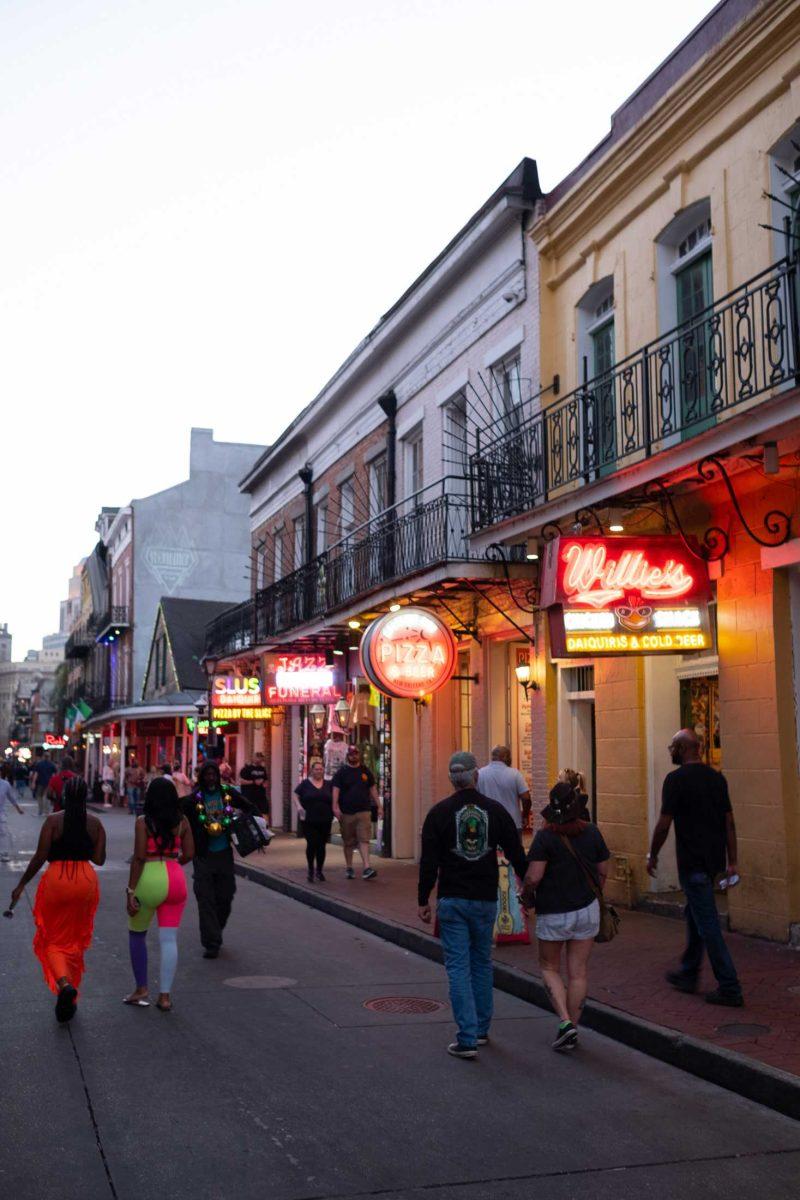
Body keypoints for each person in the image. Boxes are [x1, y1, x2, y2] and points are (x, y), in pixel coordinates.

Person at [418, 750, 528, 1059]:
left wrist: (422, 898)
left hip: (452, 898)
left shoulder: (438, 813)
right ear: (475, 776)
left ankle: (466, 1036)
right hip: (484, 899)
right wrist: (530, 887)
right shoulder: (495, 811)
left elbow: (429, 861)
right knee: (481, 963)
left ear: (451, 780)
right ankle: (480, 1029)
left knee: (457, 966)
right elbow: (516, 854)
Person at [648, 728, 743, 1007]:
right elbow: (729, 823)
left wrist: (652, 854)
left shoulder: (675, 781)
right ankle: (689, 972)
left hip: (692, 863)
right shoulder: (717, 779)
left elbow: (664, 824)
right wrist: (732, 860)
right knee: (695, 913)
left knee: (708, 924)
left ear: (683, 748)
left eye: (672, 747)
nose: (670, 752)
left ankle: (729, 986)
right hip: (712, 862)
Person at [522, 781, 610, 1051]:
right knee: (578, 972)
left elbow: (534, 877)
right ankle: (573, 1025)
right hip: (587, 909)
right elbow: (603, 871)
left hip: (554, 912)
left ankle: (565, 1021)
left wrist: (526, 896)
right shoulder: (593, 833)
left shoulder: (545, 838)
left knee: (549, 967)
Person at [11, 777, 106, 1022]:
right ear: (85, 796)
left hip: (58, 880)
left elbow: (40, 856)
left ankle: (65, 985)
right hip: (85, 880)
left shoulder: (53, 821)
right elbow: (99, 859)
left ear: (64, 796)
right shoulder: (95, 823)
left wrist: (22, 884)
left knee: (53, 938)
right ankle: (70, 998)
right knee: (75, 939)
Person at [125, 777, 194, 1012]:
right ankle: (165, 996)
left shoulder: (143, 822)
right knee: (169, 939)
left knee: (137, 934)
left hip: (149, 877)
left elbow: (139, 857)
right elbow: (190, 853)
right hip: (175, 877)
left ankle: (141, 989)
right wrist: (175, 865)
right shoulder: (182, 821)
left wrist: (130, 890)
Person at [181, 760, 257, 958]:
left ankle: (216, 928)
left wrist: (249, 828)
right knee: (205, 899)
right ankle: (211, 943)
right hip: (203, 855)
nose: (211, 778)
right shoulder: (193, 800)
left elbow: (249, 807)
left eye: (214, 774)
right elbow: (176, 813)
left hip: (224, 853)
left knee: (226, 895)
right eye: (207, 775)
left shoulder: (227, 794)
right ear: (202, 777)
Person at [332, 744, 381, 880]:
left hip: (364, 811)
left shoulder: (365, 771)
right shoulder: (341, 772)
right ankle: (349, 867)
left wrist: (379, 805)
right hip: (347, 812)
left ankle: (367, 867)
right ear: (348, 755)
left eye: (356, 753)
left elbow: (372, 788)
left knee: (364, 839)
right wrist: (335, 807)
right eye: (351, 754)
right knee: (348, 841)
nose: (354, 756)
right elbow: (336, 790)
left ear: (359, 754)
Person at [293, 758, 334, 882]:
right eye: (316, 769)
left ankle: (319, 871)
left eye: (321, 769)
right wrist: (299, 807)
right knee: (312, 844)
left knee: (321, 845)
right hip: (309, 819)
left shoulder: (328, 784)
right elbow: (295, 795)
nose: (319, 771)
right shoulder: (305, 784)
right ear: (312, 770)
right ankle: (311, 869)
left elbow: (334, 798)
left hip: (325, 819)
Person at [477, 746, 531, 831]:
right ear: (505, 757)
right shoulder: (515, 774)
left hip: (488, 823)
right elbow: (526, 798)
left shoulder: (480, 774)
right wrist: (525, 816)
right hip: (512, 823)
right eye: (510, 757)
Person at [0, 762, 25, 861]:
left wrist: (18, 809)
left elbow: (11, 798)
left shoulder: (5, 784)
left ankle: (3, 853)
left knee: (2, 833)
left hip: (0, 814)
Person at [240, 752, 269, 816]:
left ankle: (264, 825)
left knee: (264, 812)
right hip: (249, 796)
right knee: (250, 814)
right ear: (253, 758)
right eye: (258, 757)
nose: (259, 759)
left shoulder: (262, 769)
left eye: (261, 757)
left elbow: (265, 780)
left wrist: (265, 784)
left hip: (261, 796)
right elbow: (241, 781)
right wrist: (254, 782)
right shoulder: (247, 769)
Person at [31, 751, 58, 817]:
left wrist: (33, 783)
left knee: (39, 796)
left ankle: (40, 811)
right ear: (49, 757)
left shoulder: (39, 764)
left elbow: (36, 774)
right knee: (47, 797)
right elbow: (54, 775)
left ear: (43, 756)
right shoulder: (52, 765)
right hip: (49, 783)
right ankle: (47, 812)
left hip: (40, 783)